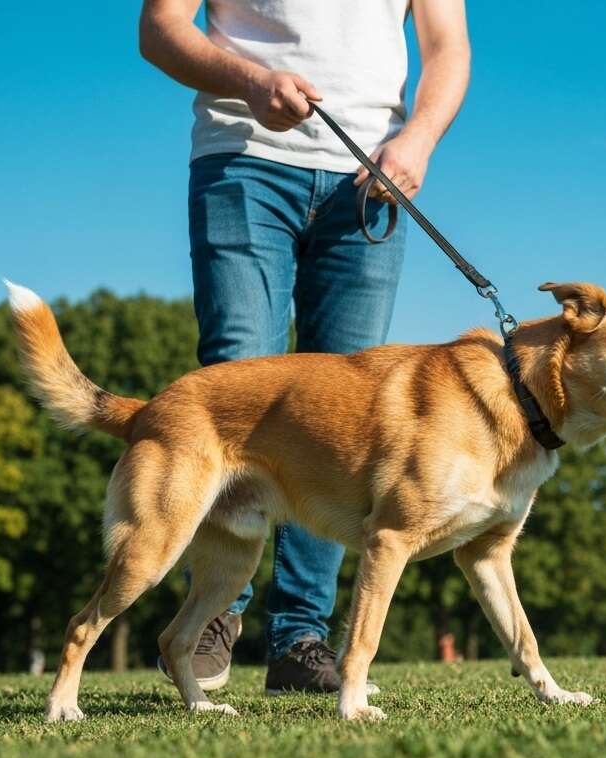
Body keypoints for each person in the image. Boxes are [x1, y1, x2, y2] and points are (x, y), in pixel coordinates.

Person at [138, 0, 470, 693]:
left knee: (348, 425)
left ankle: (300, 639)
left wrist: (419, 140)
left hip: (374, 175)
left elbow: (447, 47)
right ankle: (216, 615)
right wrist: (248, 79)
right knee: (236, 371)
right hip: (243, 157)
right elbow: (160, 29)